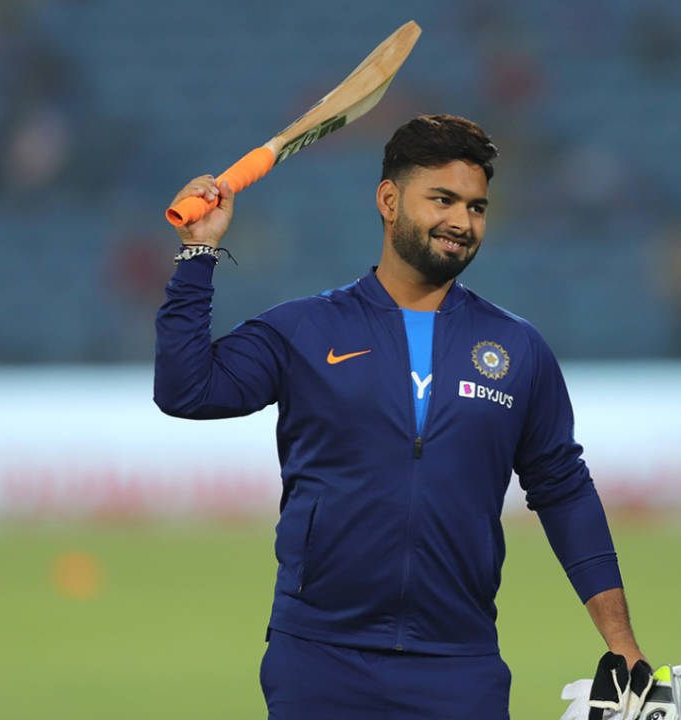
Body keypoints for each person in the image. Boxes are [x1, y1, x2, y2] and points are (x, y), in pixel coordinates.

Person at [154, 114, 647, 718]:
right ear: (389, 200)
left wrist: (621, 643)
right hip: (318, 661)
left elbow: (565, 491)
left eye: (477, 207)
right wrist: (198, 251)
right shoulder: (305, 329)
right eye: (442, 199)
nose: (462, 223)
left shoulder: (518, 350)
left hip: (458, 668)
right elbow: (186, 389)